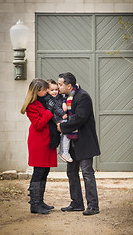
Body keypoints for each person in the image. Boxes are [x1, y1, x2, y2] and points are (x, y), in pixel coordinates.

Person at [57, 72, 101, 216]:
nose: (58, 86)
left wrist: (62, 126)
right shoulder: (66, 98)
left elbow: (80, 118)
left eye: (60, 84)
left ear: (69, 86)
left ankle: (93, 206)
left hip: (84, 141)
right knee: (71, 173)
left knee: (87, 174)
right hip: (71, 142)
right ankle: (77, 203)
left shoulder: (83, 96)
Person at [21, 78, 58, 214]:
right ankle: (34, 204)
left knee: (45, 171)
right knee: (38, 172)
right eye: (44, 89)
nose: (47, 91)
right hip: (39, 141)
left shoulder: (46, 99)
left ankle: (40, 202)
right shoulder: (31, 105)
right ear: (37, 91)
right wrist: (49, 111)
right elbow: (38, 124)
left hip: (47, 140)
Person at [44, 79, 73, 163]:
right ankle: (65, 152)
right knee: (67, 132)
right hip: (57, 118)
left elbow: (63, 99)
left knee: (65, 134)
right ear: (47, 90)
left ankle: (62, 151)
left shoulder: (59, 96)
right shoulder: (48, 99)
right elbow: (55, 108)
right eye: (52, 90)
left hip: (61, 117)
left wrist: (64, 102)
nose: (54, 92)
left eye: (56, 89)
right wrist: (62, 114)